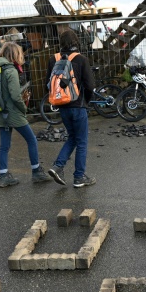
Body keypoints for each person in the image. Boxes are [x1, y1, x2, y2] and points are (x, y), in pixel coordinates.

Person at [0, 42, 51, 187]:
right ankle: (36, 172)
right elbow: (15, 95)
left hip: (0, 112)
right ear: (14, 55)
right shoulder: (10, 70)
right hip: (13, 113)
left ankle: (3, 176)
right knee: (31, 140)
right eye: (19, 53)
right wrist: (23, 108)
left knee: (4, 146)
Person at [47, 29, 97, 188]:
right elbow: (90, 86)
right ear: (76, 42)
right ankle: (79, 177)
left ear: (60, 43)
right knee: (81, 141)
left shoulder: (53, 59)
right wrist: (85, 102)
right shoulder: (81, 59)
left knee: (72, 137)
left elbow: (47, 84)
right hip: (78, 106)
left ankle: (58, 166)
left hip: (62, 105)